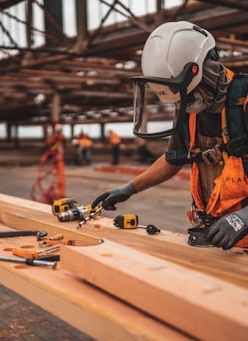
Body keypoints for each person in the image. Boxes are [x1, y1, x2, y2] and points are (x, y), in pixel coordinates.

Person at [92, 21, 248, 250]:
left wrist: (242, 219)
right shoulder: (189, 107)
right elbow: (174, 158)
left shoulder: (242, 101)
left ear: (206, 72)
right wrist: (129, 188)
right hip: (216, 235)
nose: (186, 104)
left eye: (190, 95)